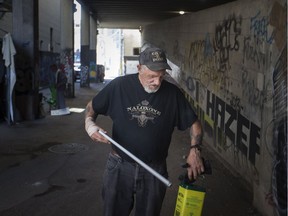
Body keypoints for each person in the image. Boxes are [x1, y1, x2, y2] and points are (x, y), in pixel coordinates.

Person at [85, 47, 205, 216]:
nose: (157, 82)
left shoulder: (172, 94)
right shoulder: (120, 86)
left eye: (161, 76)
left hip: (154, 170)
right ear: (139, 68)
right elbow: (92, 107)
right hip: (120, 166)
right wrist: (89, 124)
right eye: (152, 76)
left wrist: (195, 150)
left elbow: (195, 124)